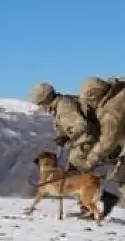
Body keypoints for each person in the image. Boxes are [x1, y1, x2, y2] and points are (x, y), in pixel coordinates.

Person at [30, 81, 118, 219]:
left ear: (45, 100)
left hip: (84, 142)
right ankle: (91, 204)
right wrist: (64, 136)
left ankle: (93, 204)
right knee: (74, 176)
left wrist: (67, 137)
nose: (41, 107)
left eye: (40, 103)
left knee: (73, 176)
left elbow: (80, 126)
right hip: (81, 142)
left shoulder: (64, 107)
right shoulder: (60, 105)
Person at [75, 77, 125, 225]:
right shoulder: (124, 89)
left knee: (121, 175)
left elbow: (107, 142)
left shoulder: (112, 110)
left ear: (94, 96)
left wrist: (89, 162)